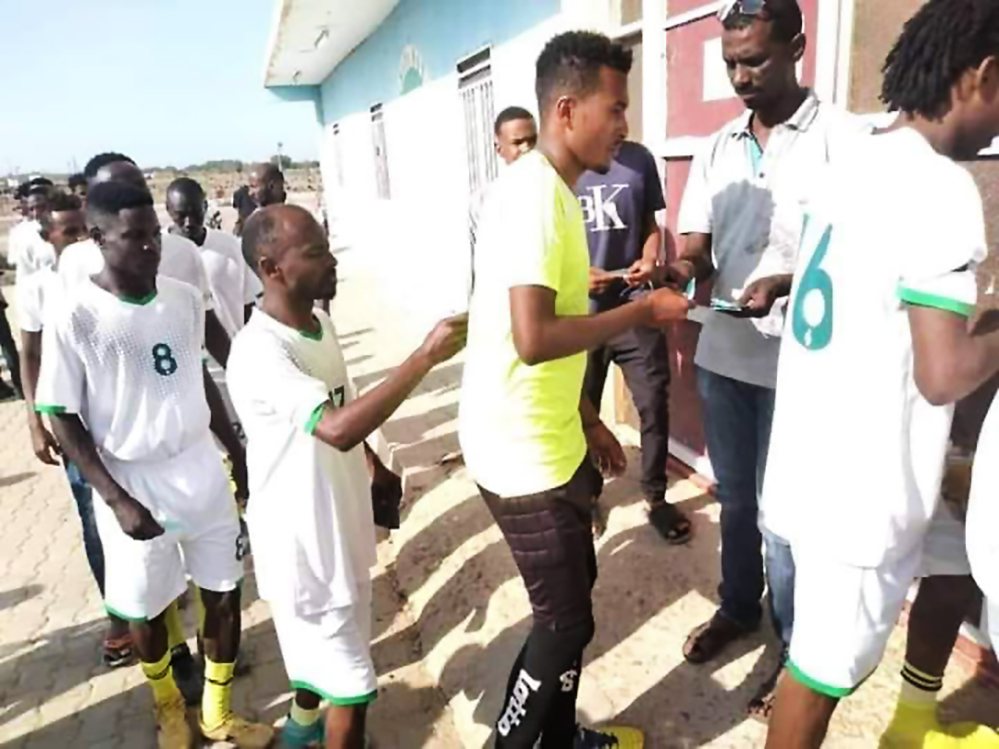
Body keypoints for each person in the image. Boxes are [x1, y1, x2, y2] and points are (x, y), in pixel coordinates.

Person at [762, 1, 999, 745]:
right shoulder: (940, 187)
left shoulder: (853, 158)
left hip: (815, 462)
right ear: (984, 75)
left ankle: (914, 720)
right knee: (816, 680)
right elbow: (943, 373)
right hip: (860, 499)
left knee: (957, 559)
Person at [459, 31, 691, 748]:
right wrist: (642, 313)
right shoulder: (533, 195)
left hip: (551, 437)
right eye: (614, 108)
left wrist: (588, 416)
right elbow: (533, 337)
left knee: (573, 603)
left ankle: (559, 739)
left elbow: (538, 330)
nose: (624, 124)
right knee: (564, 623)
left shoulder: (555, 192)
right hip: (518, 452)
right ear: (566, 110)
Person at [666, 0, 862, 714]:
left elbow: (858, 250)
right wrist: (674, 271)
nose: (740, 77)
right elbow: (697, 245)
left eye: (754, 60)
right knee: (737, 500)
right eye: (730, 65)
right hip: (724, 356)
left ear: (797, 47)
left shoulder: (843, 140)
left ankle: (793, 649)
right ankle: (738, 607)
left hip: (800, 369)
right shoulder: (718, 147)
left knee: (786, 522)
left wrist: (786, 280)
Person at [34, 181, 273, 748]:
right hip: (132, 479)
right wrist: (116, 499)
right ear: (98, 239)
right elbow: (61, 416)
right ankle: (168, 707)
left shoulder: (182, 299)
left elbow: (197, 374)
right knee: (146, 608)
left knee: (224, 591)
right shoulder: (75, 314)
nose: (150, 247)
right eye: (133, 236)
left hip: (199, 468)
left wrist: (237, 451)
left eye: (154, 235)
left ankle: (217, 712)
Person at [228, 204, 467, 748]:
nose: (331, 260)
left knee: (328, 671)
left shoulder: (321, 326)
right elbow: (335, 428)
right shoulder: (261, 351)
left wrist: (375, 468)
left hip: (340, 534)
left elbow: (345, 406)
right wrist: (423, 358)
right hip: (304, 552)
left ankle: (299, 735)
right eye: (315, 253)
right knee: (353, 691)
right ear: (272, 269)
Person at [18, 190, 136, 667]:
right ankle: (119, 617)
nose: (77, 238)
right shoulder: (37, 289)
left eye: (82, 228)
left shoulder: (108, 275)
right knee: (94, 518)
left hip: (121, 421)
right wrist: (35, 419)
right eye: (67, 231)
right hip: (74, 426)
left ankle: (154, 601)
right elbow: (30, 354)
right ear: (47, 236)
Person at [577, 141, 687, 543]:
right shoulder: (563, 164)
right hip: (580, 315)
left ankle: (656, 498)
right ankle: (588, 494)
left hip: (633, 305)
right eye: (612, 111)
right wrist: (576, 275)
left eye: (622, 111)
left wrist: (649, 257)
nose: (619, 121)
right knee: (580, 409)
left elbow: (649, 226)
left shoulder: (639, 160)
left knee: (654, 401)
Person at [59, 153, 233, 368]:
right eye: (117, 190)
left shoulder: (183, 252)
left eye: (139, 186)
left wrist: (240, 377)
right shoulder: (74, 261)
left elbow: (208, 327)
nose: (132, 195)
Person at [167, 177, 262, 439]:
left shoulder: (231, 247)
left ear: (205, 207)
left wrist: (250, 356)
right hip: (193, 377)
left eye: (195, 213)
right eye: (181, 215)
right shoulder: (160, 256)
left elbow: (249, 305)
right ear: (168, 211)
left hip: (237, 366)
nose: (189, 222)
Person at [467, 107, 539, 297]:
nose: (527, 149)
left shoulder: (557, 192)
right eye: (517, 142)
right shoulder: (482, 203)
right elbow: (475, 269)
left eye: (532, 141)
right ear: (499, 148)